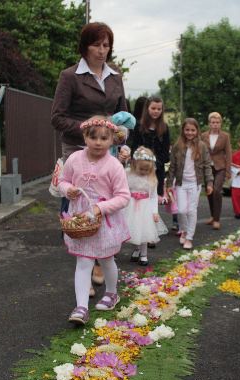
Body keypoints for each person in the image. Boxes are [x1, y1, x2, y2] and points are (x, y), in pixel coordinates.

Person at [50, 22, 127, 292]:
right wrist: (91, 126)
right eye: (96, 45)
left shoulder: (116, 77)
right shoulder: (70, 76)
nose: (102, 50)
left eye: (106, 45)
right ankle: (84, 260)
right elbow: (57, 118)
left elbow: (123, 117)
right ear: (85, 47)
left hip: (109, 151)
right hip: (77, 149)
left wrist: (122, 135)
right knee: (78, 207)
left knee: (107, 204)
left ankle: (99, 260)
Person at [57, 116, 131, 325]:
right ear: (85, 137)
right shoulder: (74, 159)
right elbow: (63, 180)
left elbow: (123, 196)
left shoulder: (114, 165)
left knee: (107, 259)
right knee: (83, 260)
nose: (98, 142)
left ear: (112, 141)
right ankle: (81, 307)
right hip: (81, 219)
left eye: (104, 138)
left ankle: (111, 292)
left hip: (104, 221)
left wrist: (100, 208)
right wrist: (67, 190)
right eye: (93, 137)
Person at [165, 118, 214, 250]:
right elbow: (173, 167)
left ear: (197, 131)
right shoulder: (177, 146)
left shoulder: (202, 146)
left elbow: (207, 165)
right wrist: (169, 183)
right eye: (187, 130)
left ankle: (189, 237)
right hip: (181, 183)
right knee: (181, 210)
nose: (190, 132)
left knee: (191, 210)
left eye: (192, 130)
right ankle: (185, 230)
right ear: (183, 130)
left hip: (195, 183)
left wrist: (209, 182)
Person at [124, 147, 168, 266]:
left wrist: (155, 212)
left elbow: (153, 197)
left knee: (144, 231)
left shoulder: (152, 179)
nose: (143, 171)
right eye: (141, 169)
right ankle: (136, 250)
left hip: (145, 208)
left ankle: (144, 254)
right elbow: (124, 191)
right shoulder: (128, 174)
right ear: (134, 164)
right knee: (134, 229)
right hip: (131, 206)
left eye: (146, 169)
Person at [130, 96, 170, 198]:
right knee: (140, 200)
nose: (156, 111)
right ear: (147, 108)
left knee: (154, 203)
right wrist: (142, 161)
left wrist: (154, 163)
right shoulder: (139, 126)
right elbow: (134, 149)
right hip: (141, 170)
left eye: (159, 109)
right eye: (153, 108)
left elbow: (166, 154)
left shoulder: (164, 128)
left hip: (157, 172)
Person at [201, 112, 232, 230]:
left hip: (220, 167)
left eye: (217, 122)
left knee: (217, 191)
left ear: (220, 124)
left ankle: (217, 219)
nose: (215, 124)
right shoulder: (203, 136)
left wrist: (228, 171)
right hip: (207, 167)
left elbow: (228, 153)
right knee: (209, 191)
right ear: (209, 123)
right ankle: (212, 216)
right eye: (213, 122)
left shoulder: (225, 136)